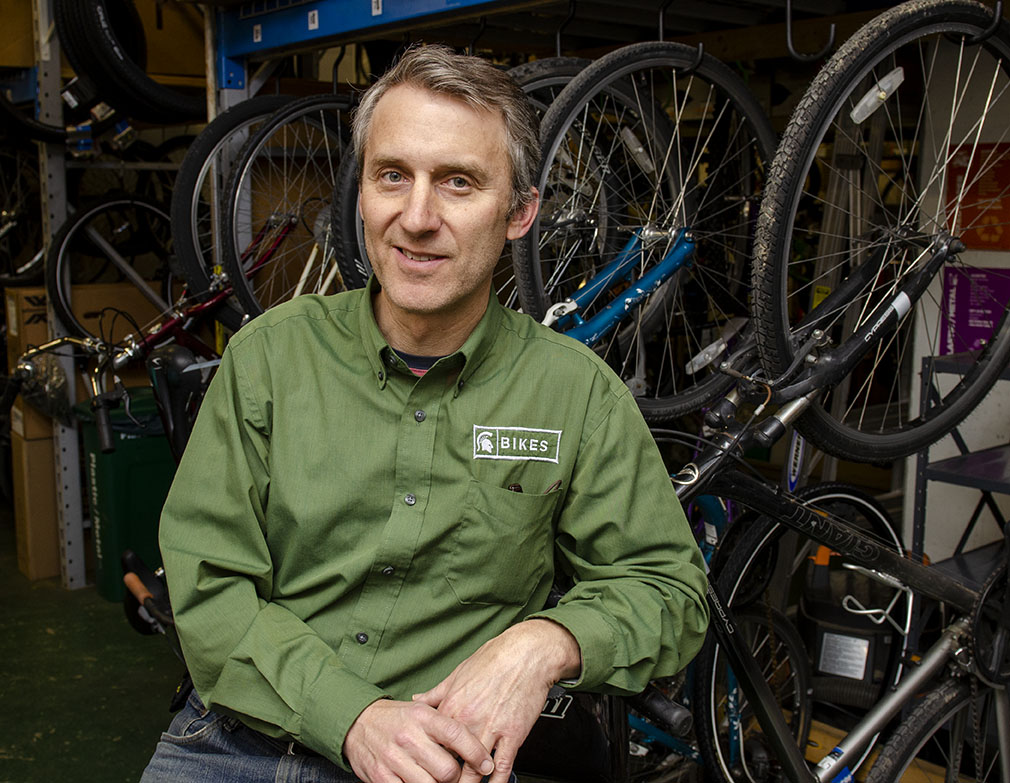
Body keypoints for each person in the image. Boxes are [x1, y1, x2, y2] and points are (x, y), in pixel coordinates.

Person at [142, 44, 708, 783]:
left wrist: (545, 639)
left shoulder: (576, 395)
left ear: (520, 212)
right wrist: (352, 717)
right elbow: (209, 582)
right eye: (392, 176)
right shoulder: (270, 361)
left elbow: (667, 587)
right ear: (362, 193)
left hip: (444, 762)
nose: (416, 218)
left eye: (458, 183)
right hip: (239, 740)